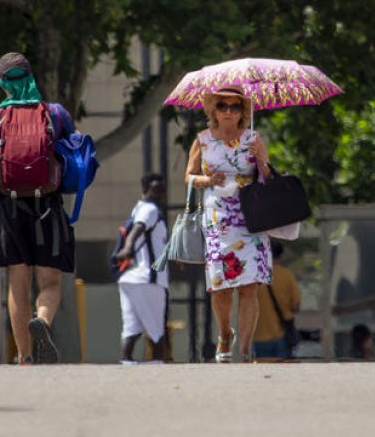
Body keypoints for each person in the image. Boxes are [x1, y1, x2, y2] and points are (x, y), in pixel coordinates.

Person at [0, 52, 77, 365]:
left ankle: (24, 355)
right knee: (50, 282)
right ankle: (42, 320)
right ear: (31, 77)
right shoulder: (55, 114)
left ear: (3, 83)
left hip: (9, 207)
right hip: (47, 205)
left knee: (17, 282)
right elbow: (77, 156)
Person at [185, 85, 271, 363]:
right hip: (218, 217)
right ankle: (225, 334)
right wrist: (208, 181)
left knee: (249, 285)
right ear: (213, 108)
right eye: (223, 106)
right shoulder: (203, 140)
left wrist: (262, 158)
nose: (228, 112)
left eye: (235, 107)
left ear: (243, 111)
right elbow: (188, 177)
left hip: (251, 216)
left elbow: (268, 177)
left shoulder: (253, 138)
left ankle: (245, 349)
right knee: (221, 285)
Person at [114, 173, 170, 364]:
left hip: (129, 279)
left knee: (132, 327)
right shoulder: (150, 210)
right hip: (149, 279)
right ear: (145, 189)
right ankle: (156, 363)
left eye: (162, 191)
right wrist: (128, 249)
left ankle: (126, 361)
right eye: (156, 190)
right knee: (157, 330)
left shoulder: (137, 209)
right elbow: (138, 229)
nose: (160, 195)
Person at [252, 240, 301, 360]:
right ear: (281, 254)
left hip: (258, 335)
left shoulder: (255, 276)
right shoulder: (286, 275)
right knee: (283, 374)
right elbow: (295, 305)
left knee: (261, 373)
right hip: (281, 335)